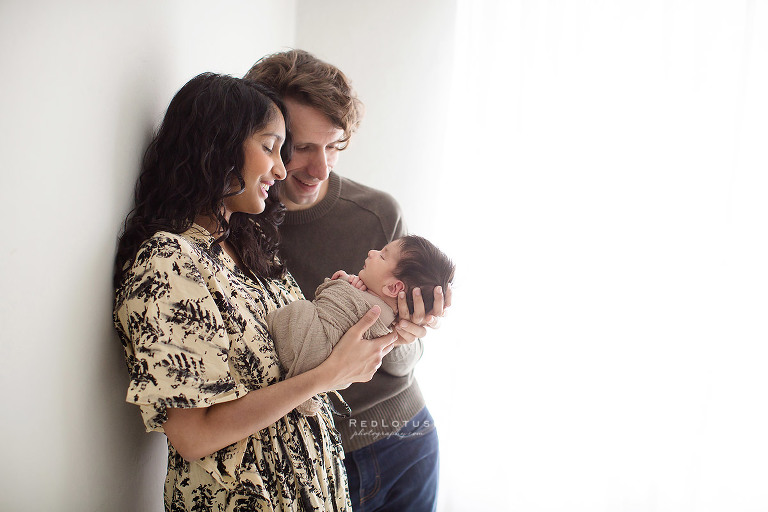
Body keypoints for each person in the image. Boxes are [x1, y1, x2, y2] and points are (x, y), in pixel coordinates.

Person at [113, 72, 398, 511]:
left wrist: (389, 326)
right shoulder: (169, 262)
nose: (281, 169)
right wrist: (327, 378)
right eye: (270, 148)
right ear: (217, 146)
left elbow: (300, 361)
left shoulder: (252, 249)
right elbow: (193, 436)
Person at [245, 50, 450, 511]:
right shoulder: (241, 224)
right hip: (315, 459)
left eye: (333, 147)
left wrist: (407, 334)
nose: (320, 170)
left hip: (407, 435)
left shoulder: (379, 215)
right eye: (301, 147)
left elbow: (406, 361)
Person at [267, 235, 456, 416]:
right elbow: (336, 312)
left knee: (298, 310)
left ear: (393, 288)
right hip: (325, 379)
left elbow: (329, 300)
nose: (372, 252)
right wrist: (351, 284)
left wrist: (342, 282)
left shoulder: (376, 315)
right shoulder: (384, 314)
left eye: (382, 256)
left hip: (314, 354)